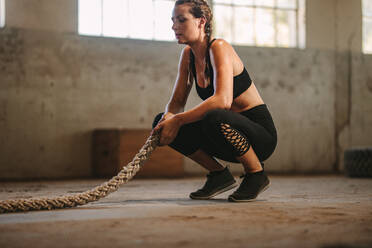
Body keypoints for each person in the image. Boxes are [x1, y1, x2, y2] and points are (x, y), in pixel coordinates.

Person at [152, 0, 277, 202]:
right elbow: (176, 103)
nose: (174, 26)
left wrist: (178, 120)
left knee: (215, 115)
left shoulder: (219, 47)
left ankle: (256, 174)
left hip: (258, 136)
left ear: (201, 21)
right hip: (223, 134)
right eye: (173, 21)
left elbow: (223, 101)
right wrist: (169, 118)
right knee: (162, 120)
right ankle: (219, 175)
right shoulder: (188, 56)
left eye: (181, 20)